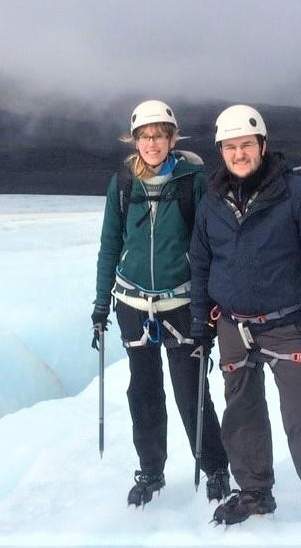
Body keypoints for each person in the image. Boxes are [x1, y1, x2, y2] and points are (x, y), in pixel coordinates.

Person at [189, 104, 301, 547]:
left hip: (288, 322)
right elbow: (200, 265)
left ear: (262, 145)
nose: (238, 154)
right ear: (221, 151)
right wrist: (200, 323)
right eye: (230, 147)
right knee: (241, 413)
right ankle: (255, 492)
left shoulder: (296, 195)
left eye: (246, 145)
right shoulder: (211, 202)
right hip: (232, 325)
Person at [92, 99, 230, 508]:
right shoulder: (122, 183)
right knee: (144, 390)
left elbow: (209, 247)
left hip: (182, 302)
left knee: (192, 391)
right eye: (144, 136)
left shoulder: (194, 181)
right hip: (132, 302)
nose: (152, 143)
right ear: (135, 140)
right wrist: (102, 305)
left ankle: (215, 467)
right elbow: (109, 246)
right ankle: (151, 470)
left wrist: (209, 306)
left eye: (159, 135)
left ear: (172, 138)